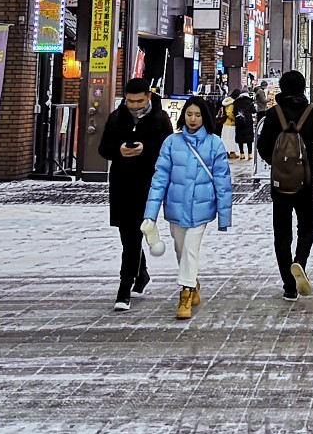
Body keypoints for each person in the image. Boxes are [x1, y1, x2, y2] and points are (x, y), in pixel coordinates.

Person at [142, 97, 234, 320]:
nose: (193, 119)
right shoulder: (171, 143)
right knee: (181, 249)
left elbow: (223, 182)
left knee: (191, 249)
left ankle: (185, 294)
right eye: (189, 114)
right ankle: (192, 281)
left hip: (202, 209)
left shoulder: (214, 144)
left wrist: (224, 215)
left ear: (206, 118)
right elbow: (160, 179)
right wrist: (150, 214)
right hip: (175, 207)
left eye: (198, 115)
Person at [255, 69, 313, 299]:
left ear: (282, 87)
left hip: (280, 184)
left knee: (281, 232)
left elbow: (262, 147)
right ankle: (299, 262)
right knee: (306, 226)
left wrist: (278, 163)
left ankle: (289, 285)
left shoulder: (273, 114)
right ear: (303, 88)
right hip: (306, 182)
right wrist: (309, 160)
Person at [98, 77, 173, 311]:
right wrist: (119, 151)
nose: (135, 106)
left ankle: (124, 288)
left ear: (148, 97)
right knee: (127, 234)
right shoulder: (116, 117)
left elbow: (168, 150)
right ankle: (140, 274)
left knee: (134, 234)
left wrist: (146, 150)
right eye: (130, 101)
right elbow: (104, 148)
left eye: (139, 101)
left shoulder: (160, 119)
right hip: (121, 182)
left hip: (147, 184)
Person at [232, 88, 257, 160]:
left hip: (239, 121)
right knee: (249, 138)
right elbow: (254, 111)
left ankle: (242, 153)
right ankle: (250, 154)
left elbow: (234, 112)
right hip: (248, 121)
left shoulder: (236, 102)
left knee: (240, 138)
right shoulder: (249, 101)